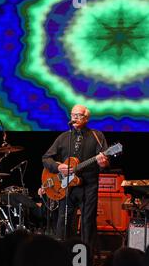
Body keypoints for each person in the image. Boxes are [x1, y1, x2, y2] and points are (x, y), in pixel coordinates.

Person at [42, 104, 109, 253]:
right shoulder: (64, 137)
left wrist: (103, 163)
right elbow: (46, 158)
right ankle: (62, 254)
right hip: (66, 185)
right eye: (73, 115)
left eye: (79, 115)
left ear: (86, 118)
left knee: (87, 222)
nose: (75, 118)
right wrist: (58, 167)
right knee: (63, 220)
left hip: (89, 185)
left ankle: (86, 258)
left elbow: (104, 162)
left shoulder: (97, 136)